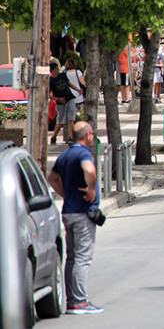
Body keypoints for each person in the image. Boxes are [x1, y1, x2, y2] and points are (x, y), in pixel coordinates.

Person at [47, 121, 103, 314]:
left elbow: (52, 178)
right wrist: (90, 189)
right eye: (92, 134)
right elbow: (89, 170)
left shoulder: (65, 154)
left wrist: (65, 195)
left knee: (71, 258)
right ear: (87, 135)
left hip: (69, 211)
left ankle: (72, 301)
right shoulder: (83, 153)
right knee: (82, 258)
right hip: (82, 213)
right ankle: (79, 301)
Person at [49, 61, 77, 144]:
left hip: (70, 98)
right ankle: (54, 136)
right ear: (53, 71)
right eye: (56, 69)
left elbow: (69, 83)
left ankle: (70, 137)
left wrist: (77, 90)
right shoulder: (51, 81)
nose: (58, 70)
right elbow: (48, 95)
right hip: (60, 103)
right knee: (60, 122)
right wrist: (57, 99)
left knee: (70, 119)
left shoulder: (63, 75)